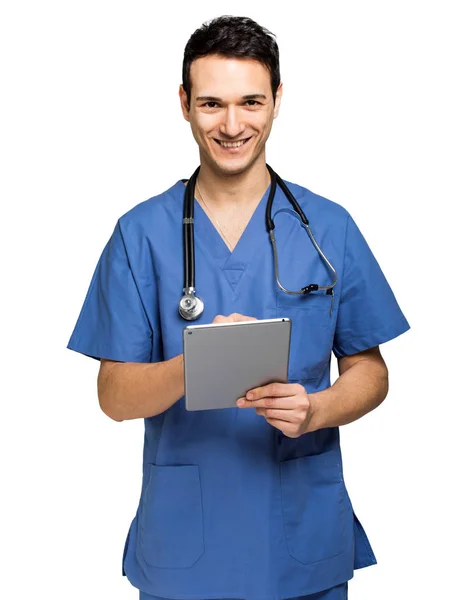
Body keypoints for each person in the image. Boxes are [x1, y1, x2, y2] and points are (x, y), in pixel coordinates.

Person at [67, 15, 410, 600]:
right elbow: (114, 397)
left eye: (250, 101)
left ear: (277, 100)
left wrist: (318, 410)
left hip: (299, 540)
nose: (231, 125)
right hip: (186, 549)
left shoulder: (329, 228)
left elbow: (371, 371)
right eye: (211, 104)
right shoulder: (139, 233)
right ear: (183, 104)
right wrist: (196, 364)